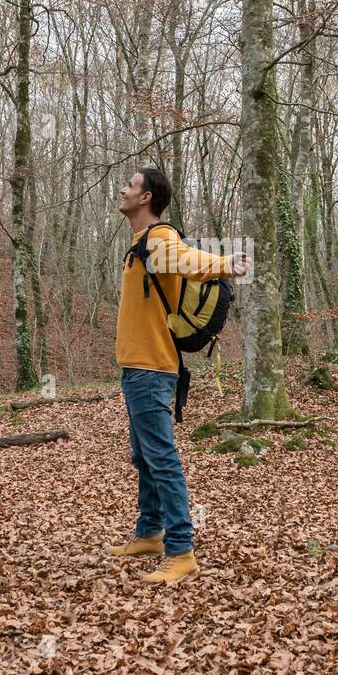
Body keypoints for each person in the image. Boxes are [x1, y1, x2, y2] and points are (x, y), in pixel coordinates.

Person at [109, 167, 250, 584]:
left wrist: (224, 263)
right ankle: (149, 533)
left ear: (146, 197)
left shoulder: (158, 237)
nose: (122, 189)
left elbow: (184, 259)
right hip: (137, 367)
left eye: (130, 185)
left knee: (163, 459)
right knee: (144, 456)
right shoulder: (139, 241)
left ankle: (181, 549)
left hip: (152, 369)